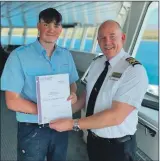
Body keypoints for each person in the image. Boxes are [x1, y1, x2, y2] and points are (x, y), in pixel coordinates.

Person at [49, 20, 149, 161]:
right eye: (102, 38)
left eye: (112, 36)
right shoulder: (97, 63)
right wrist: (62, 112)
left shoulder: (134, 70)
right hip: (93, 140)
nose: (107, 41)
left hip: (117, 147)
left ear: (123, 38)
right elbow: (87, 96)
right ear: (98, 41)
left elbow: (116, 116)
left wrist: (73, 124)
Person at [1, 8, 79, 161]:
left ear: (61, 29)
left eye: (56, 25)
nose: (51, 29)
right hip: (32, 129)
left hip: (61, 125)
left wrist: (74, 93)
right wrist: (45, 111)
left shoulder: (66, 55)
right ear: (38, 26)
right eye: (46, 24)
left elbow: (73, 83)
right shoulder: (19, 56)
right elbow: (11, 101)